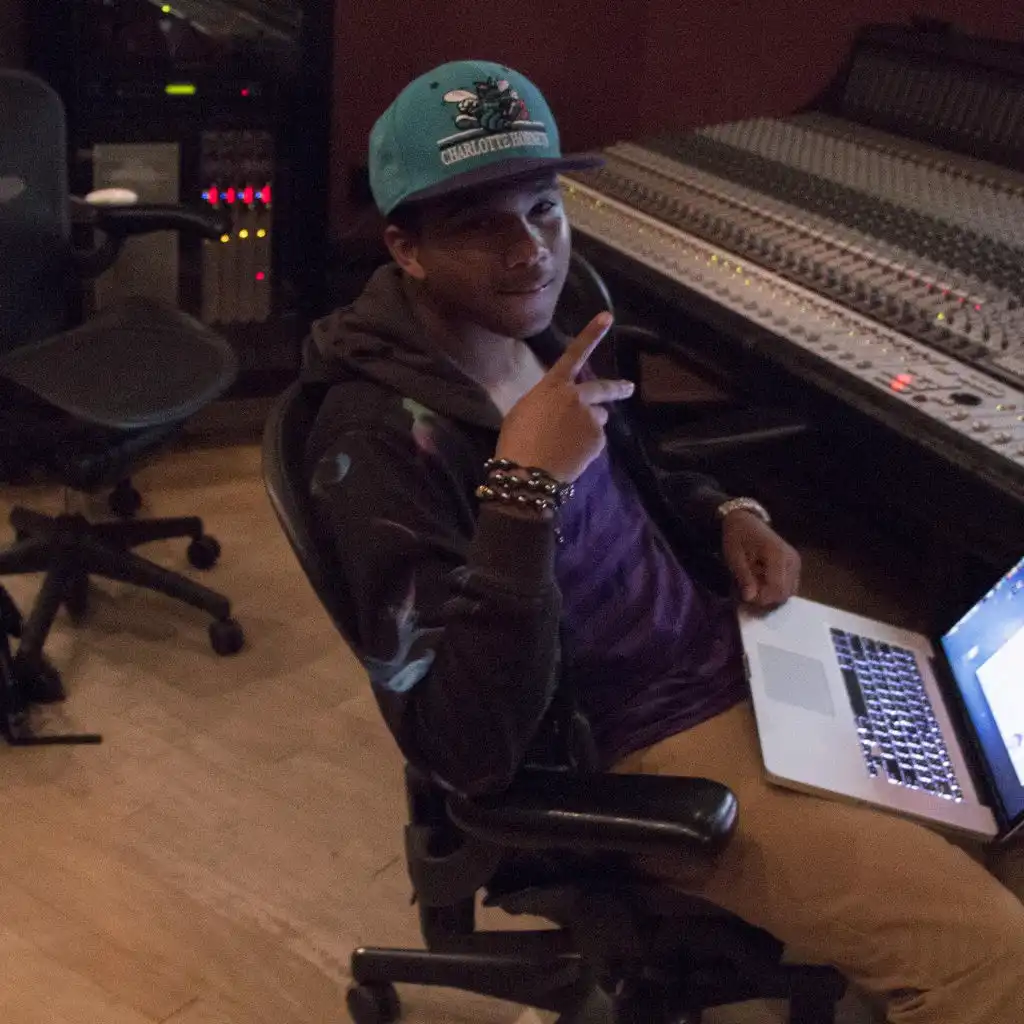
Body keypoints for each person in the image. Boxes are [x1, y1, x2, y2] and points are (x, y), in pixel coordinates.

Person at [302, 60, 1024, 1023]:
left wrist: (729, 513)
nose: (530, 251)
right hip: (637, 749)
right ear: (408, 247)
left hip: (741, 655)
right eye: (480, 225)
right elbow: (464, 751)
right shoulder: (378, 442)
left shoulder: (548, 327)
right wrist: (523, 494)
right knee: (997, 962)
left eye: (543, 209)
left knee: (999, 789)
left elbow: (640, 476)